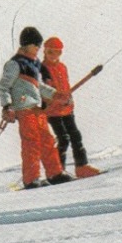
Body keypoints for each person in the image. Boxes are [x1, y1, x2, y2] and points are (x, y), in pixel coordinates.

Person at [0, 26, 69, 188]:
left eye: (39, 45)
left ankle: (55, 173)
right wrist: (7, 106)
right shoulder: (14, 64)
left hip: (37, 110)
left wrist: (56, 94)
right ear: (26, 45)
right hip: (24, 109)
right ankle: (31, 179)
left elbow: (39, 87)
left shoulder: (34, 63)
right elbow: (4, 87)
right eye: (35, 45)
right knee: (31, 142)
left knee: (47, 140)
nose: (38, 48)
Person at [43, 36, 101, 178]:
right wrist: (57, 99)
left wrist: (68, 99)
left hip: (66, 109)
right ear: (44, 51)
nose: (53, 56)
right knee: (63, 138)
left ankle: (82, 166)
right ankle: (56, 171)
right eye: (50, 52)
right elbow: (44, 91)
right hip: (52, 111)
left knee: (75, 135)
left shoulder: (62, 67)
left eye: (57, 52)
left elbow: (66, 87)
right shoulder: (42, 69)